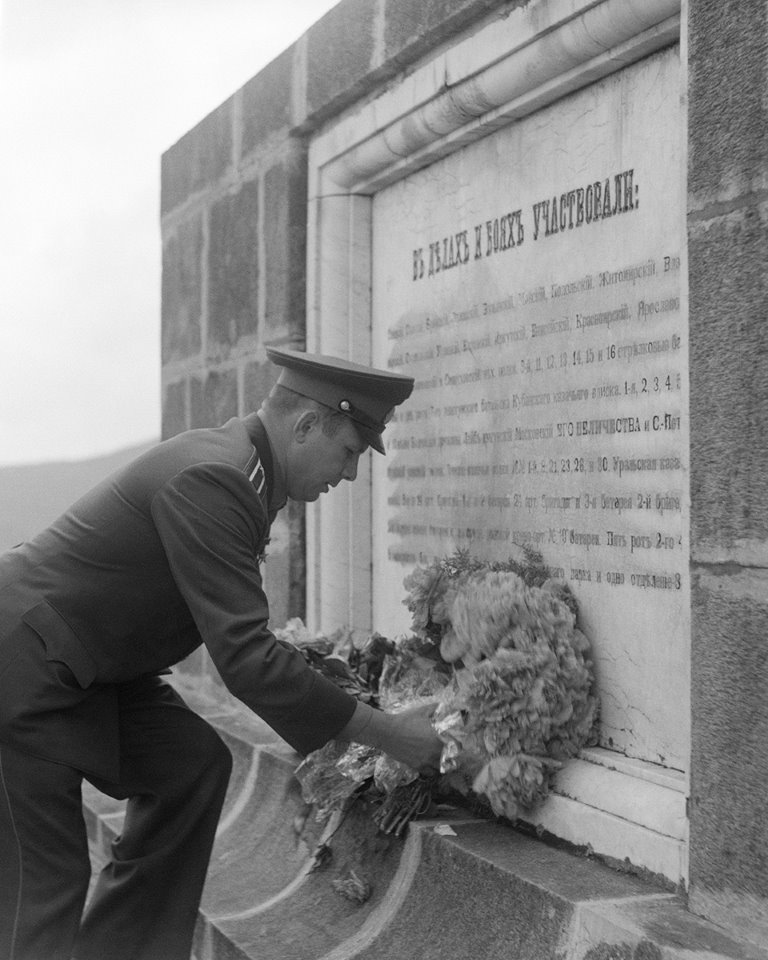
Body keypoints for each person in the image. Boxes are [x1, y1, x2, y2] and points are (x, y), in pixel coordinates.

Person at [0, 346, 443, 960]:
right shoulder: (218, 475)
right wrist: (389, 734)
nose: (350, 475)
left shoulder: (244, 473)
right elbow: (246, 658)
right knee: (42, 884)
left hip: (91, 669)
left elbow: (233, 628)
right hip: (24, 665)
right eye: (349, 452)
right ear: (306, 425)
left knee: (191, 765)